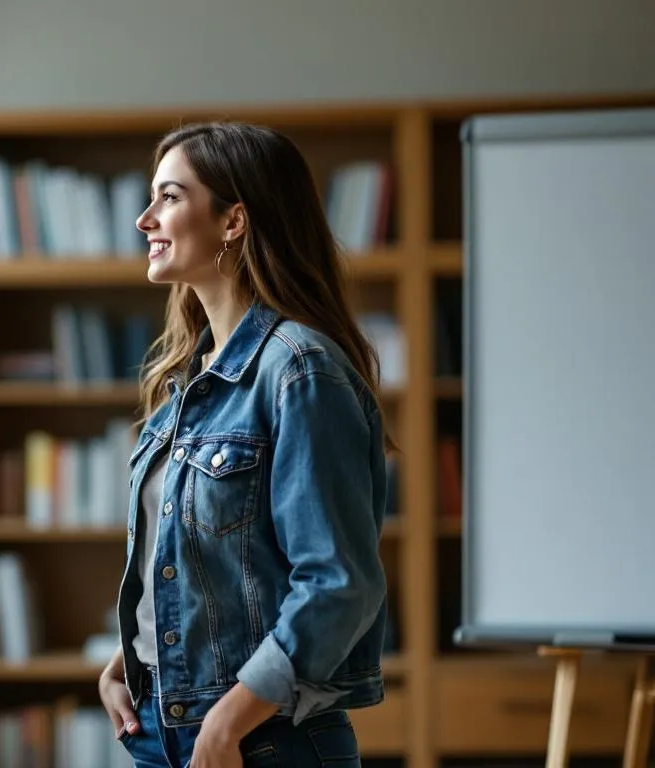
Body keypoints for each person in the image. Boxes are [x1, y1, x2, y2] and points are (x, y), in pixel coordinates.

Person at [97, 122, 392, 768]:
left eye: (169, 197)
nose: (145, 219)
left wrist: (227, 725)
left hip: (262, 740)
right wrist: (131, 655)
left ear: (233, 221)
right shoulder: (187, 380)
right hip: (162, 724)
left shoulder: (300, 371)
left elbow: (338, 583)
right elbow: (210, 568)